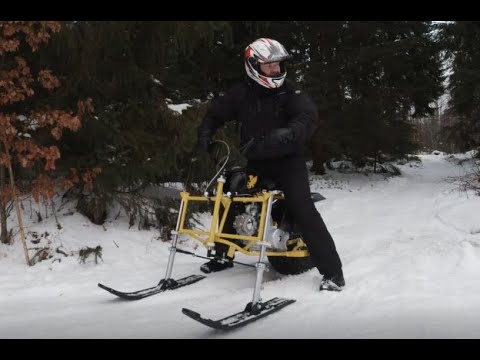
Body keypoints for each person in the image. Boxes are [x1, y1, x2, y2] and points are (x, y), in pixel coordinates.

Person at [195, 38, 345, 291]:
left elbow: (307, 117)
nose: (275, 70)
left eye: (277, 65)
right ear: (253, 65)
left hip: (288, 162)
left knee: (302, 208)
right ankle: (223, 255)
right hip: (256, 161)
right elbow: (215, 113)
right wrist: (205, 135)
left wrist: (288, 132)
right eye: (269, 65)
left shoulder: (290, 91)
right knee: (230, 193)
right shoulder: (241, 93)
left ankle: (333, 273)